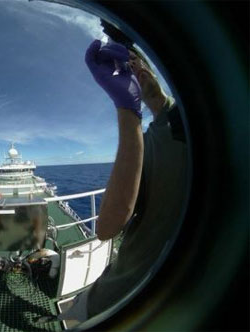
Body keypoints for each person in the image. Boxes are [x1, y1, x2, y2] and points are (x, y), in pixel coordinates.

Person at [57, 37, 188, 322]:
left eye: (136, 59)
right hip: (112, 293)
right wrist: (128, 110)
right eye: (126, 64)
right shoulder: (148, 140)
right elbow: (108, 227)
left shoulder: (186, 121)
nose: (134, 67)